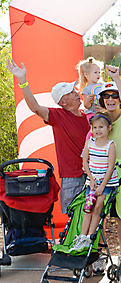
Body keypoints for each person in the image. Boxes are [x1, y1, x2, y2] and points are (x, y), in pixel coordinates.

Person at [6, 60, 89, 215]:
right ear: (62, 102)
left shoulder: (89, 116)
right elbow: (35, 108)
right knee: (74, 218)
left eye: (75, 90)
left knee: (94, 218)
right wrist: (23, 81)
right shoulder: (58, 115)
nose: (76, 93)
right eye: (71, 92)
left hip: (94, 174)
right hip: (73, 177)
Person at [99, 66, 121, 266]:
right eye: (107, 96)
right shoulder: (100, 121)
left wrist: (117, 78)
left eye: (114, 96)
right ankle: (100, 255)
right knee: (98, 213)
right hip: (102, 172)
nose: (111, 99)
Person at [70, 112, 119, 251]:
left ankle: (90, 236)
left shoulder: (110, 145)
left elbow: (110, 167)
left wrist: (102, 186)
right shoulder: (90, 143)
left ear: (109, 128)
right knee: (88, 207)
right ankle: (82, 236)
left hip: (106, 183)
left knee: (98, 207)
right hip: (92, 181)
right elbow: (85, 161)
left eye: (101, 127)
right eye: (95, 127)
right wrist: (91, 180)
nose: (98, 130)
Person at [77, 57, 104, 124]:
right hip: (92, 114)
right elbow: (86, 106)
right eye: (95, 72)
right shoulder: (86, 89)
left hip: (103, 113)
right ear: (86, 75)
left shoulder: (102, 85)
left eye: (99, 72)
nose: (98, 74)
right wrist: (88, 101)